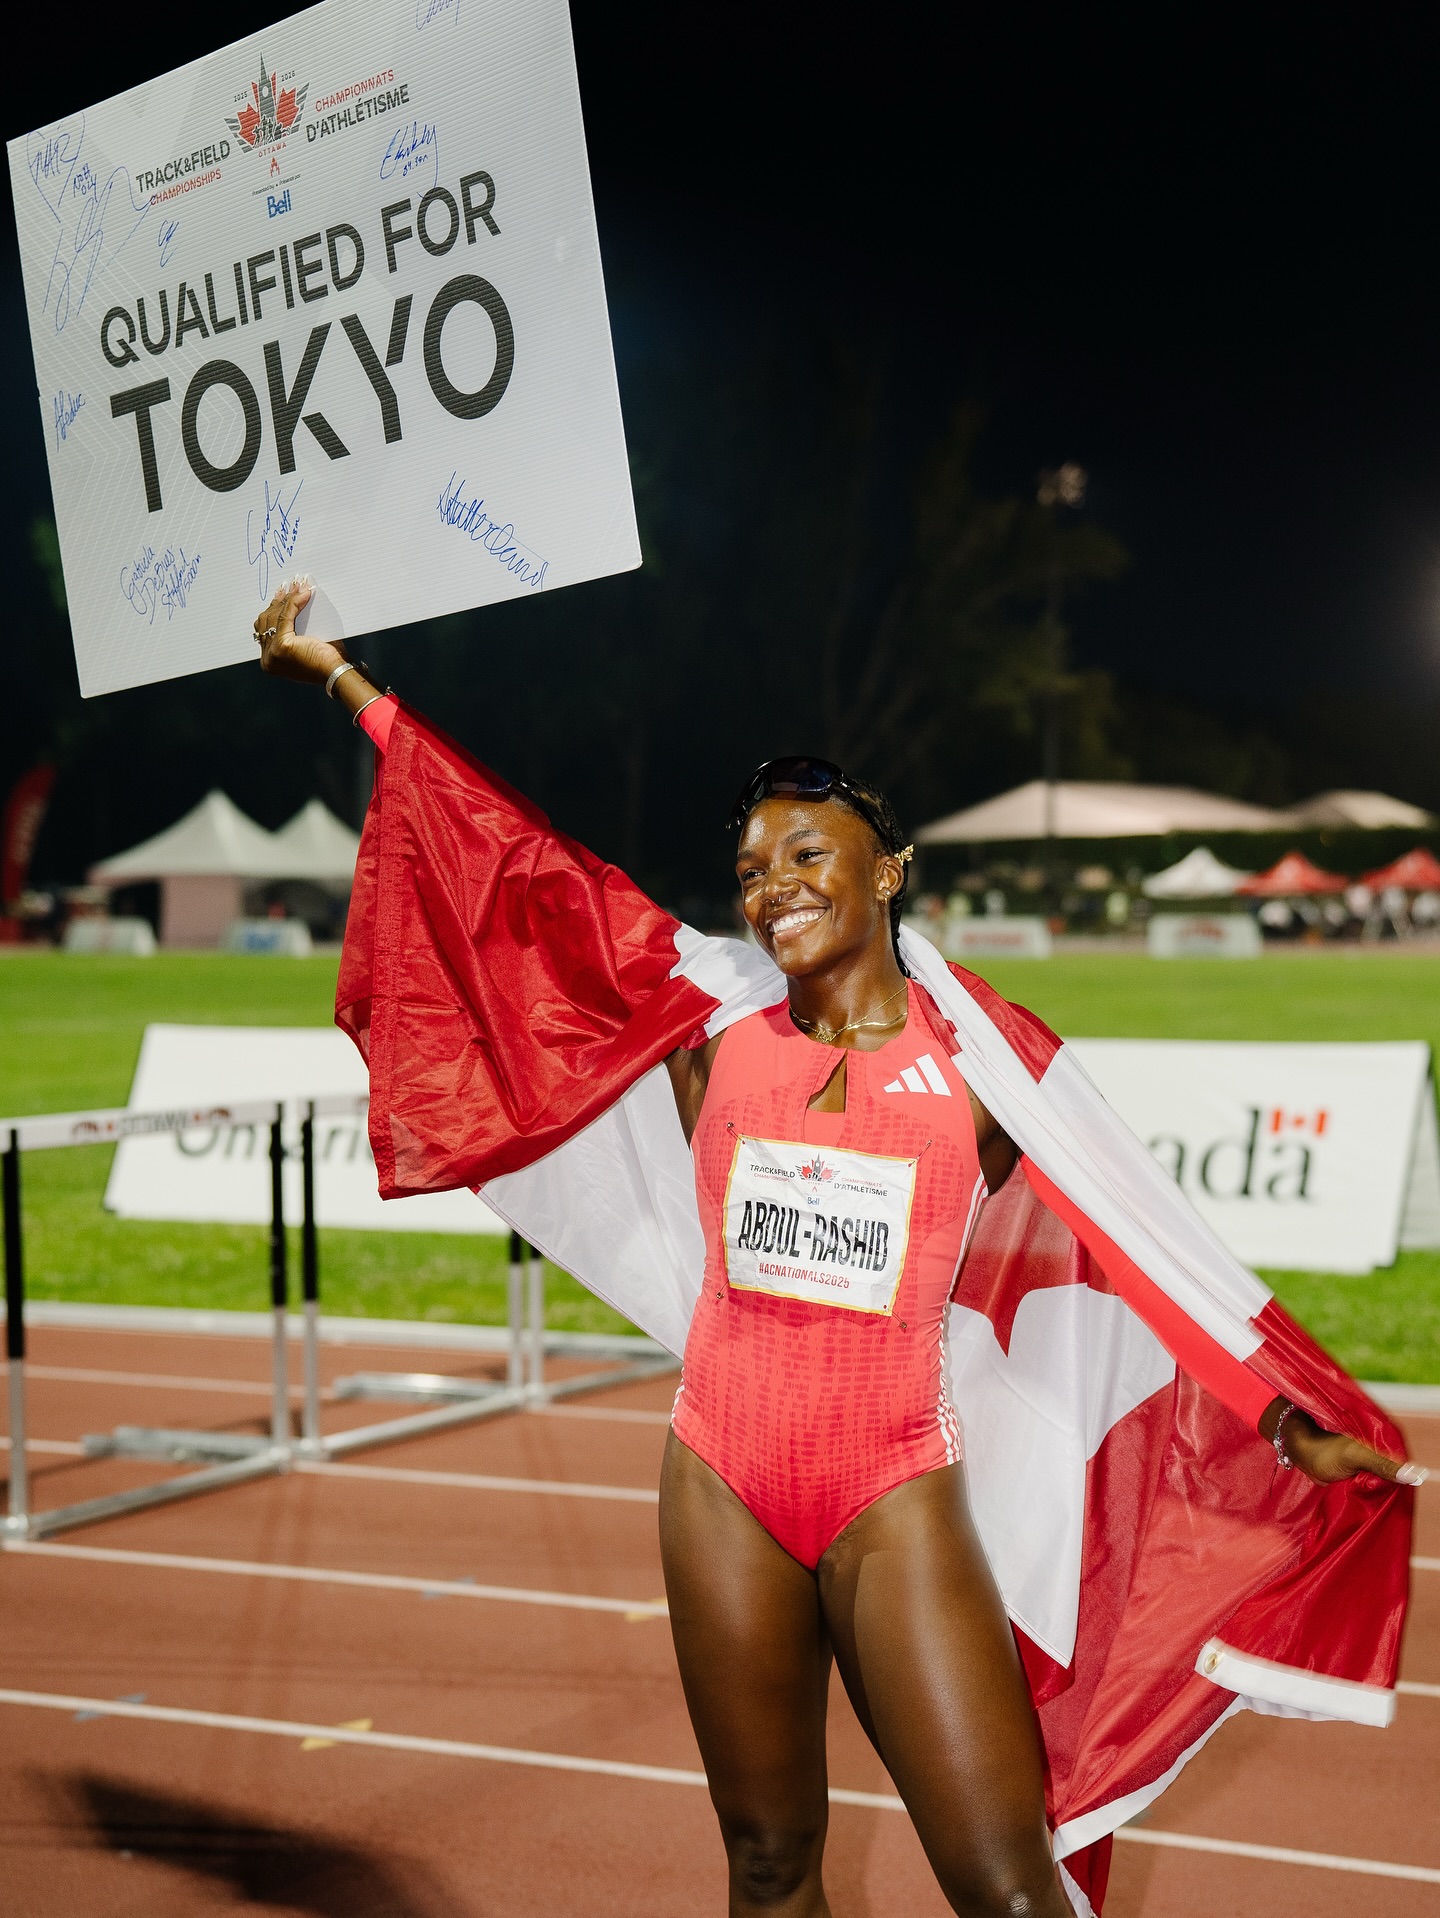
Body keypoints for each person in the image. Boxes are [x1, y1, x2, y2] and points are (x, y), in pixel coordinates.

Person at [253, 580, 1424, 1918]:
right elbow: (523, 876)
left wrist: (1281, 1415)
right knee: (767, 1868)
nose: (773, 889)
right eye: (752, 869)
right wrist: (350, 683)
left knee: (1008, 1889)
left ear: (887, 869)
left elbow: (1137, 1242)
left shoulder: (987, 1063)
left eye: (805, 856)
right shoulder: (711, 1029)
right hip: (720, 1480)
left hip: (892, 1495)